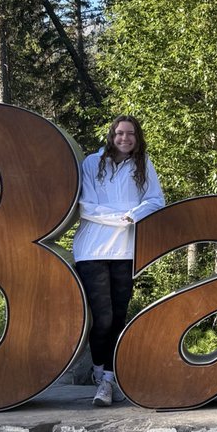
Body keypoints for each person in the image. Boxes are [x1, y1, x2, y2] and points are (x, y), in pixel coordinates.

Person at [72, 115, 165, 407]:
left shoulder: (143, 164)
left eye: (131, 134)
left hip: (125, 252)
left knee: (119, 317)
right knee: (103, 318)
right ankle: (99, 370)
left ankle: (108, 380)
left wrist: (133, 215)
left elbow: (155, 201)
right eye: (120, 133)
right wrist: (121, 217)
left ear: (137, 138)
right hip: (92, 251)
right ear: (111, 135)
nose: (125, 138)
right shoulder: (92, 162)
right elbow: (86, 207)